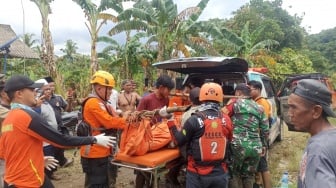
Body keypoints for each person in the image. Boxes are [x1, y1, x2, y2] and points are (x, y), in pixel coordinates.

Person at [0, 75, 116, 188]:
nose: (35, 92)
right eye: (31, 89)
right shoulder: (26, 116)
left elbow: (6, 152)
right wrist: (94, 139)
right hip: (27, 182)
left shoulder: (9, 118)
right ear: (19, 94)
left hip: (16, 178)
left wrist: (38, 159)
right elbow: (61, 140)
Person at [160, 82, 233, 188]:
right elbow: (229, 139)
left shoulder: (194, 120)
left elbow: (178, 140)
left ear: (202, 98)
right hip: (220, 173)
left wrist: (170, 120)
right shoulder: (227, 119)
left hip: (197, 174)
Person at [80, 70, 128, 188]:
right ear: (99, 88)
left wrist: (123, 117)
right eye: (109, 89)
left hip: (102, 150)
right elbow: (109, 122)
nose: (111, 92)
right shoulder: (93, 103)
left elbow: (114, 117)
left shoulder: (102, 103)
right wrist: (126, 120)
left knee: (104, 181)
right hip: (94, 152)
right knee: (96, 183)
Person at [287, 79, 336, 188]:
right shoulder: (332, 137)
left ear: (316, 111)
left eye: (294, 107)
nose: (289, 114)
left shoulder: (318, 150)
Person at [222, 83, 269, 188]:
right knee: (248, 175)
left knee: (232, 174)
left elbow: (222, 117)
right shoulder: (259, 107)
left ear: (238, 92)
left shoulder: (235, 103)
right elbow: (265, 130)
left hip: (238, 146)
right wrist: (264, 144)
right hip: (256, 147)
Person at [135, 74, 175, 188]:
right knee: (142, 170)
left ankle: (152, 184)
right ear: (161, 87)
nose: (169, 92)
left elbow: (164, 117)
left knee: (154, 170)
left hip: (157, 138)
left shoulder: (166, 100)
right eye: (169, 89)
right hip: (145, 136)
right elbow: (137, 118)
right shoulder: (146, 99)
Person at [44, 76, 74, 168]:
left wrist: (69, 101)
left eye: (53, 86)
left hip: (59, 127)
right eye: (49, 87)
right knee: (50, 148)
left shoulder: (58, 98)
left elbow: (68, 110)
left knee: (59, 146)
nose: (52, 89)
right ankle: (53, 168)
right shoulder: (42, 99)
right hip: (47, 128)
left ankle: (61, 162)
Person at [34, 78, 61, 181]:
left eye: (49, 89)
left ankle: (50, 174)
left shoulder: (46, 102)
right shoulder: (37, 105)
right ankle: (45, 176)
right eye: (46, 89)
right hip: (43, 138)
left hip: (51, 136)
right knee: (46, 156)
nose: (49, 91)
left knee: (51, 156)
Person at [248, 80, 272, 188]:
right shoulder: (254, 102)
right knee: (257, 164)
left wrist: (262, 142)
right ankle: (258, 183)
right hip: (256, 137)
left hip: (260, 137)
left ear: (257, 90)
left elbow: (264, 123)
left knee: (262, 165)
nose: (248, 91)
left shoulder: (262, 103)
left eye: (250, 89)